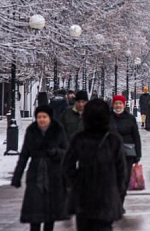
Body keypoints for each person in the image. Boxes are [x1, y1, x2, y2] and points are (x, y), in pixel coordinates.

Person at [63, 99, 127, 231]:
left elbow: (67, 166)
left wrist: (76, 182)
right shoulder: (113, 140)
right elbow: (121, 170)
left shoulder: (79, 138)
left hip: (83, 196)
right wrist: (117, 190)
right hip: (106, 195)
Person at [11, 105, 69, 231]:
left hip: (53, 173)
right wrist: (17, 176)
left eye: (44, 117)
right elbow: (24, 155)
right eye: (39, 117)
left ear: (50, 118)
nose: (41, 120)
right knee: (34, 210)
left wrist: (55, 153)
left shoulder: (58, 129)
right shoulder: (32, 130)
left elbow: (66, 151)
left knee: (50, 212)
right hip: (35, 172)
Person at [110, 95, 141, 200]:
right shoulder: (108, 118)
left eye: (120, 103)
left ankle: (120, 200)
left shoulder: (130, 118)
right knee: (113, 178)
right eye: (116, 103)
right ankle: (114, 200)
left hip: (127, 153)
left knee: (125, 178)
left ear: (123, 105)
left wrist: (138, 154)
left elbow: (136, 136)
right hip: (111, 152)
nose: (118, 106)